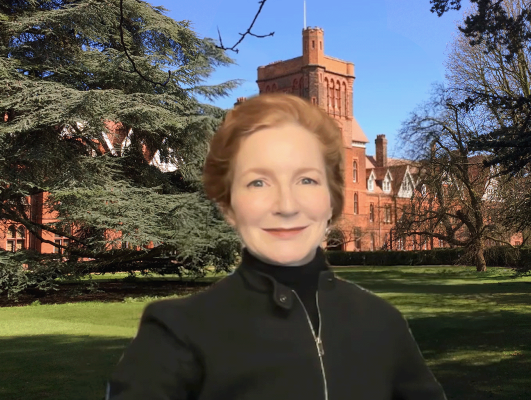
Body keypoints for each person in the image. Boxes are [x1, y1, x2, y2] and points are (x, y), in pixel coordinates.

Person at [105, 93, 447, 400]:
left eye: (307, 180)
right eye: (258, 182)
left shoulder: (382, 323)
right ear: (227, 204)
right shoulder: (174, 334)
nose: (286, 205)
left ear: (333, 200)